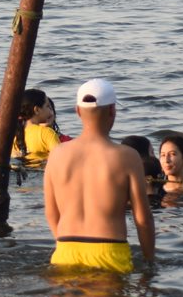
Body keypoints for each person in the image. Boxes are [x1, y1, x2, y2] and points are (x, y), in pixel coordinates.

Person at [44, 78, 155, 273]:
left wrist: (64, 243)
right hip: (109, 250)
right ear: (112, 110)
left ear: (77, 111)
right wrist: (150, 262)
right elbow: (143, 219)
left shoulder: (57, 154)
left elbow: (52, 213)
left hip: (65, 250)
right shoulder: (127, 156)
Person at [12, 88, 65, 165]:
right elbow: (61, 159)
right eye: (47, 106)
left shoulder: (15, 135)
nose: (50, 110)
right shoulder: (46, 133)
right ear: (36, 110)